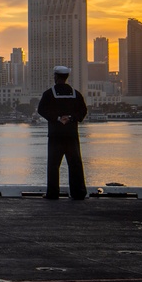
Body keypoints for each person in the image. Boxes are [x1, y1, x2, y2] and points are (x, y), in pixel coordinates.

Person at [37, 66, 88, 200]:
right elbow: (83, 111)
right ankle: (78, 192)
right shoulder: (76, 94)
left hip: (55, 135)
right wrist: (71, 118)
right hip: (71, 134)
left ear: (56, 77)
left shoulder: (48, 94)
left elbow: (41, 109)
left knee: (53, 165)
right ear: (66, 77)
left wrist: (57, 118)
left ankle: (52, 193)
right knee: (75, 164)